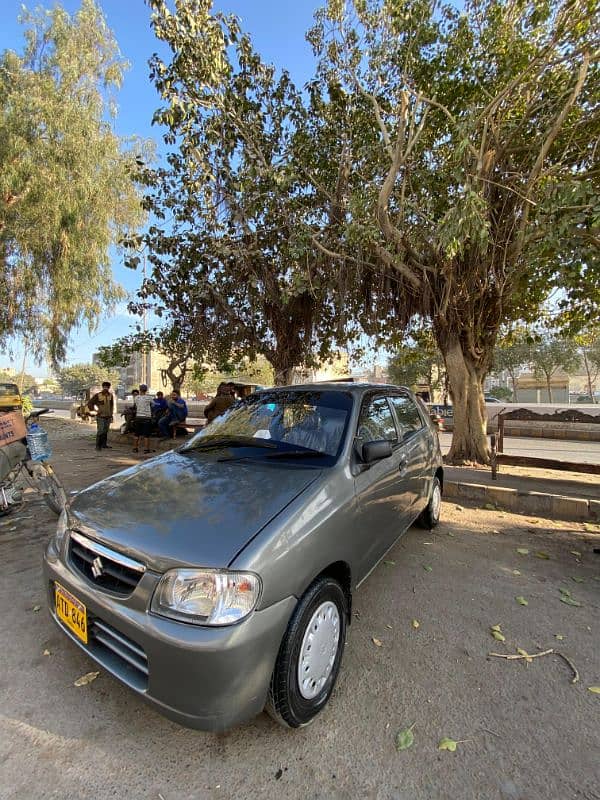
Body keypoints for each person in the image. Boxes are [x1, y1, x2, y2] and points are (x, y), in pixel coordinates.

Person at [88, 382, 114, 451]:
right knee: (100, 431)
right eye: (104, 387)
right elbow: (90, 403)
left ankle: (104, 444)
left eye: (107, 387)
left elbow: (112, 406)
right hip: (100, 416)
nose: (106, 388)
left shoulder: (110, 396)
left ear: (109, 388)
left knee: (105, 431)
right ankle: (98, 446)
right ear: (102, 387)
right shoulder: (98, 395)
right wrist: (95, 411)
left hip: (108, 416)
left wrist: (111, 415)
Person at [133, 384, 154, 454]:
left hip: (138, 417)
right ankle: (146, 449)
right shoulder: (149, 398)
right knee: (146, 435)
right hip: (147, 418)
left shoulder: (136, 398)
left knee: (137, 434)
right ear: (146, 390)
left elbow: (136, 405)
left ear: (140, 390)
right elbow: (153, 405)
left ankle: (135, 448)